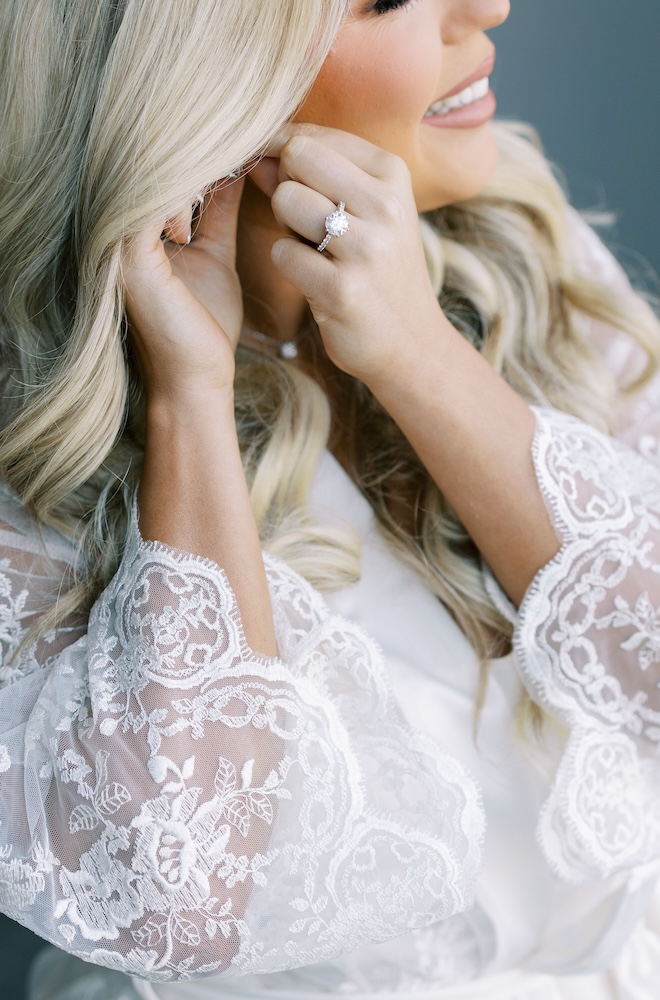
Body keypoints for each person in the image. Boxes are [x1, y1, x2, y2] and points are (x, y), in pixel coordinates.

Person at [2, 0, 659, 998]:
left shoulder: (523, 244)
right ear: (215, 71)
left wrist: (417, 353)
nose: (489, 6)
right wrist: (189, 396)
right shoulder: (42, 425)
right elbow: (178, 895)